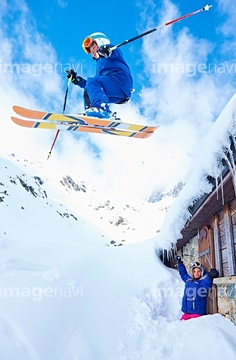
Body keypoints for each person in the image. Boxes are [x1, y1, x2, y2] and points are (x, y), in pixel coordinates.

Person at [66, 32, 133, 119]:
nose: (92, 52)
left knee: (93, 81)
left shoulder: (110, 52)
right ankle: (93, 113)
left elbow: (116, 52)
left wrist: (107, 50)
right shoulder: (99, 65)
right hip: (118, 93)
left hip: (121, 82)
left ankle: (101, 110)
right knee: (88, 88)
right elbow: (93, 86)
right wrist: (77, 80)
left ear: (101, 42)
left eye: (93, 48)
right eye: (90, 52)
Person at [175, 256, 219, 321]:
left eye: (198, 271)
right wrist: (179, 263)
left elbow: (207, 282)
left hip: (197, 312)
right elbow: (183, 274)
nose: (196, 273)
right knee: (182, 325)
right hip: (186, 312)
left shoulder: (202, 282)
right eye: (194, 271)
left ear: (202, 272)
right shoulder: (188, 280)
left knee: (193, 327)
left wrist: (211, 275)